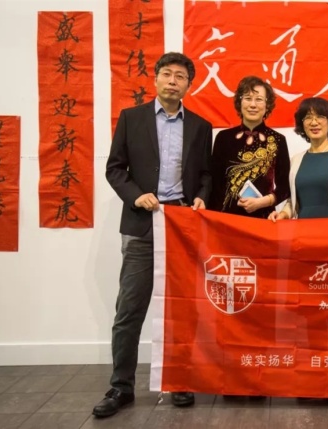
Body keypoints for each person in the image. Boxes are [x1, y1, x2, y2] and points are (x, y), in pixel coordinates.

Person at [96, 52, 214, 418]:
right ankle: (121, 386)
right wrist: (136, 195)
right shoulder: (131, 118)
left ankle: (179, 381)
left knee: (182, 309)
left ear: (188, 85)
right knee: (129, 310)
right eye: (167, 74)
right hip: (142, 223)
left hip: (182, 225)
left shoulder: (200, 126)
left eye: (180, 76)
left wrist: (201, 196)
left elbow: (206, 174)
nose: (172, 81)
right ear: (156, 78)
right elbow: (115, 169)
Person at [207, 75, 290, 219]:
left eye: (259, 99)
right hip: (227, 219)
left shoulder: (278, 140)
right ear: (239, 102)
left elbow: (285, 187)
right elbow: (215, 184)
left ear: (267, 105)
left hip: (264, 218)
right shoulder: (223, 137)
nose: (253, 105)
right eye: (248, 98)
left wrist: (263, 202)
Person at [270, 97, 328, 221]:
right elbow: (293, 202)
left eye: (320, 116)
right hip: (303, 229)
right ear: (302, 124)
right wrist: (283, 214)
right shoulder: (296, 160)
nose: (314, 122)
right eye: (308, 117)